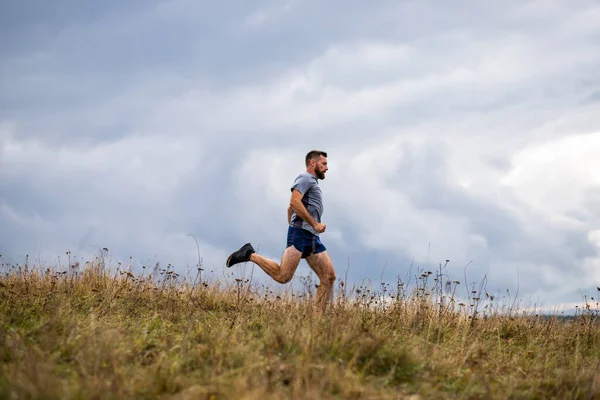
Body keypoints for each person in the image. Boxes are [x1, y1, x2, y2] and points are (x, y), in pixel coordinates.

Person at [226, 150, 336, 309]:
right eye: (324, 164)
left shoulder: (312, 183)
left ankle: (316, 320)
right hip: (301, 233)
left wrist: (297, 222)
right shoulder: (305, 178)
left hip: (311, 237)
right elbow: (294, 202)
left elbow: (290, 209)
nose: (326, 168)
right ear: (313, 163)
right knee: (283, 276)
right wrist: (313, 224)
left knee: (329, 278)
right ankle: (249, 255)